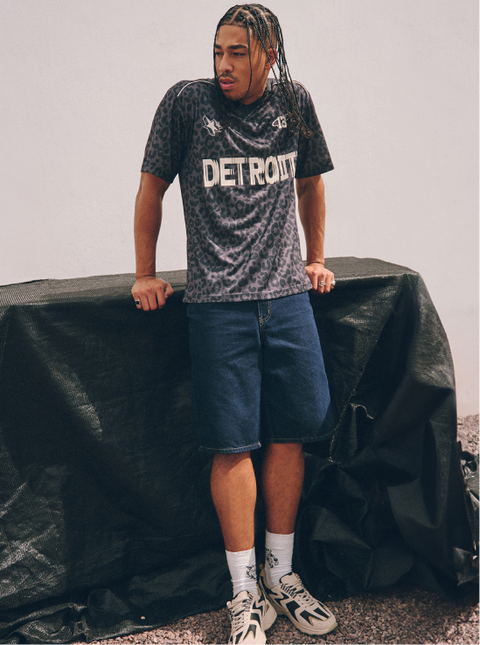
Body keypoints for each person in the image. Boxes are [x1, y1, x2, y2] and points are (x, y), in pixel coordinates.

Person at [132, 4, 337, 644]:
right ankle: (244, 591)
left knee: (291, 434)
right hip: (218, 302)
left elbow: (310, 184)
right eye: (218, 50)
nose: (223, 64)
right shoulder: (186, 104)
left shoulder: (294, 103)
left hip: (287, 298)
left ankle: (281, 575)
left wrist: (316, 259)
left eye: (238, 52)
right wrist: (144, 273)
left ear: (268, 55)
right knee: (232, 445)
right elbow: (151, 188)